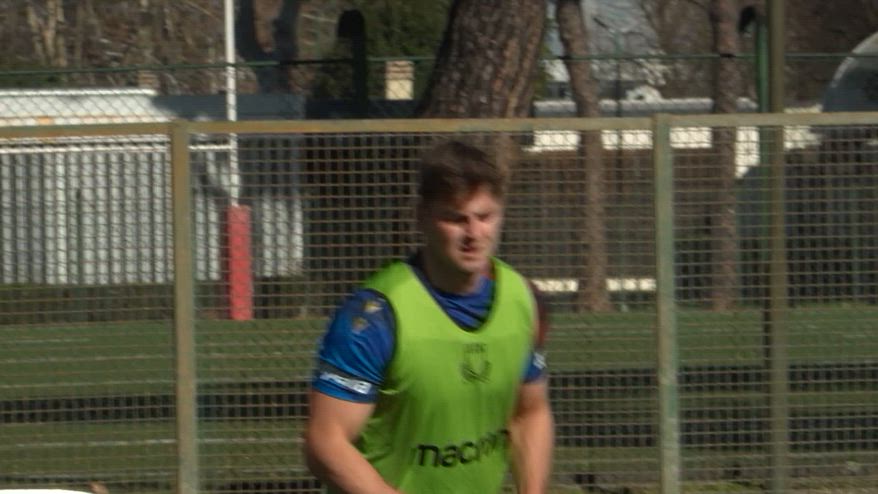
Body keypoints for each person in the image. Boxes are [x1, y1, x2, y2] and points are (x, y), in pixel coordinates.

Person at [304, 139, 554, 494]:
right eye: (455, 218)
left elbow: (529, 412)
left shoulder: (523, 300)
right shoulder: (375, 317)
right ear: (421, 217)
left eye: (484, 217)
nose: (473, 234)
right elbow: (325, 442)